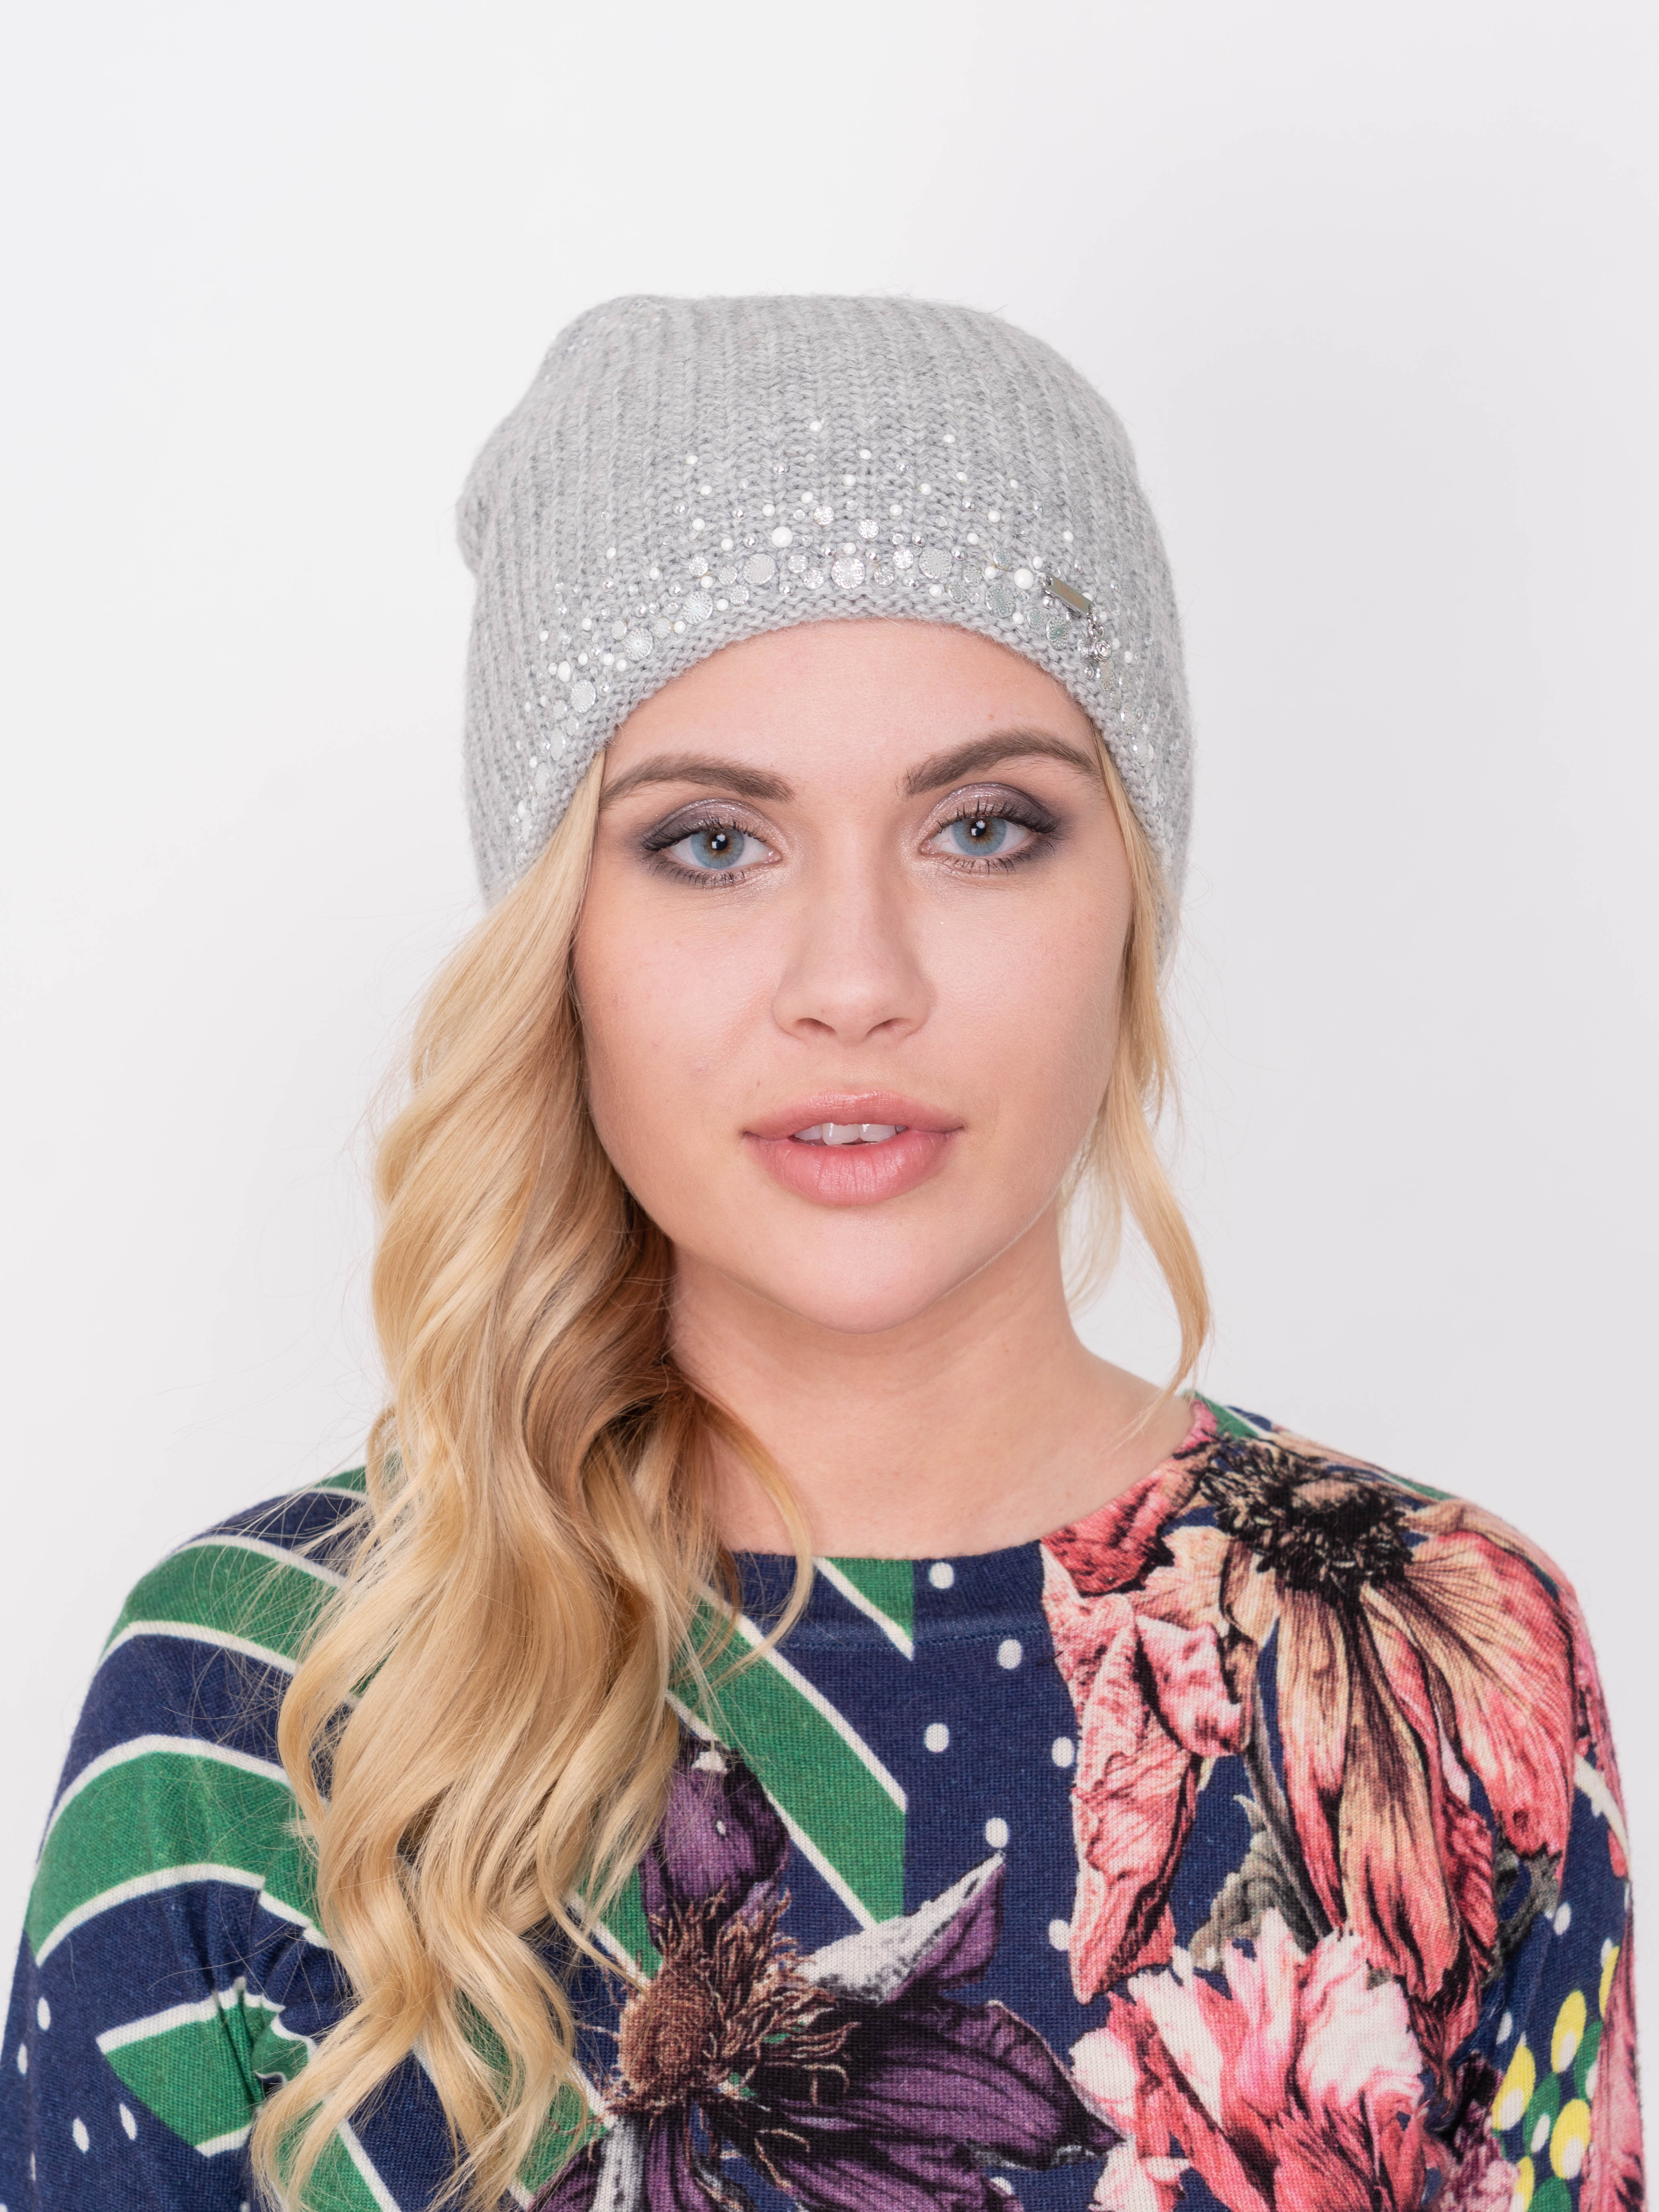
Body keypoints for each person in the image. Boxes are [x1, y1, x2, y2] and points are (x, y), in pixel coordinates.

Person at [0, 295, 1642, 2212]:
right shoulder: (255, 1713)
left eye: (985, 827)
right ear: (560, 936)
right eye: (712, 842)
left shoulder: (1442, 1660)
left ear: (1132, 894)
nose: (855, 981)